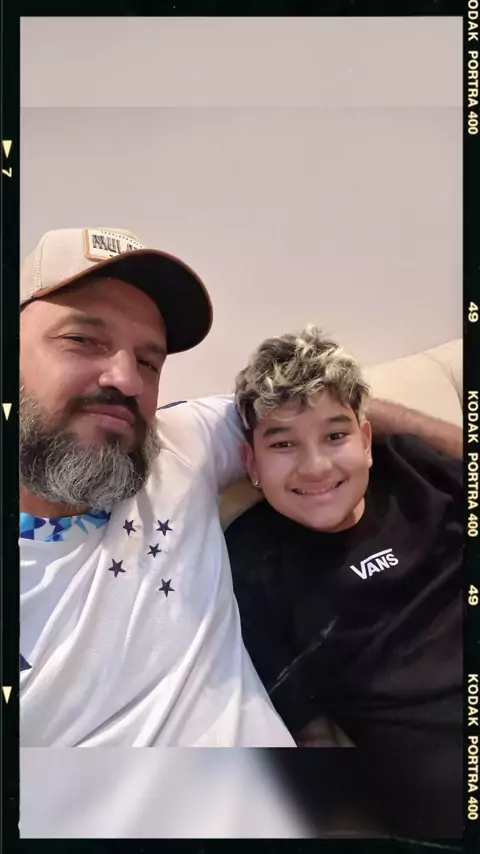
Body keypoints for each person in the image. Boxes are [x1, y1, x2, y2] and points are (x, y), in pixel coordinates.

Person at [19, 226, 295, 749]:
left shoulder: (179, 442)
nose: (127, 379)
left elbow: (318, 404)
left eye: (149, 361)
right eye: (82, 340)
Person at [225, 326, 462, 837]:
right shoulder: (251, 563)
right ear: (252, 465)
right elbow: (310, 738)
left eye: (336, 436)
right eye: (283, 443)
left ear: (367, 440)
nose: (315, 467)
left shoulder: (414, 466)